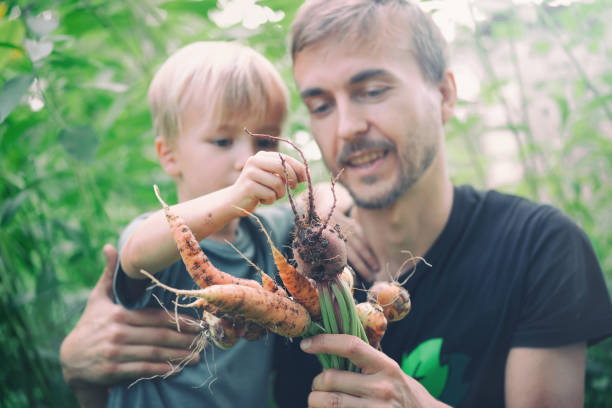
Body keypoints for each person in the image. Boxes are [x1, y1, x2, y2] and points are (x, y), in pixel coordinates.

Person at [271, 0, 612, 407]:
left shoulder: (539, 247)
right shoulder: (288, 260)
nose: (346, 128)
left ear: (445, 95)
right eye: (321, 106)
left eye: (373, 91)